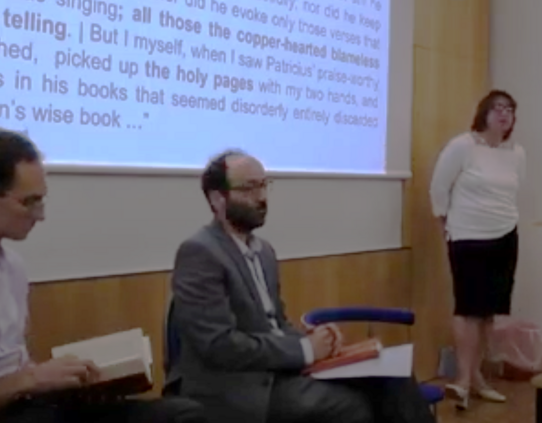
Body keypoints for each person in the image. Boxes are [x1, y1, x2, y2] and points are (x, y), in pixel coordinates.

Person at [0, 127, 207, 423]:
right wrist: (29, 380)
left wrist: (60, 379)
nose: (41, 215)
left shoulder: (12, 268)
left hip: (29, 406)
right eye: (30, 202)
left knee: (181, 415)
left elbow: (16, 371)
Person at [168, 150, 437, 423]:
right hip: (233, 387)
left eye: (264, 185)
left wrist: (318, 341)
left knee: (393, 378)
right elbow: (219, 345)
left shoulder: (264, 252)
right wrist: (305, 350)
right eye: (249, 188)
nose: (261, 197)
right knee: (350, 407)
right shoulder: (200, 252)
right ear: (217, 199)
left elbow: (276, 324)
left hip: (277, 372)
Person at [429, 89, 525, 410]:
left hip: (505, 237)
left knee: (488, 314)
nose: (503, 114)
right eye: (497, 108)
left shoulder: (516, 153)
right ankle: (463, 381)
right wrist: (446, 230)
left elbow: (513, 194)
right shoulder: (463, 146)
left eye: (509, 110)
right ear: (484, 112)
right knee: (468, 309)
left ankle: (477, 378)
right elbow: (439, 189)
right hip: (467, 237)